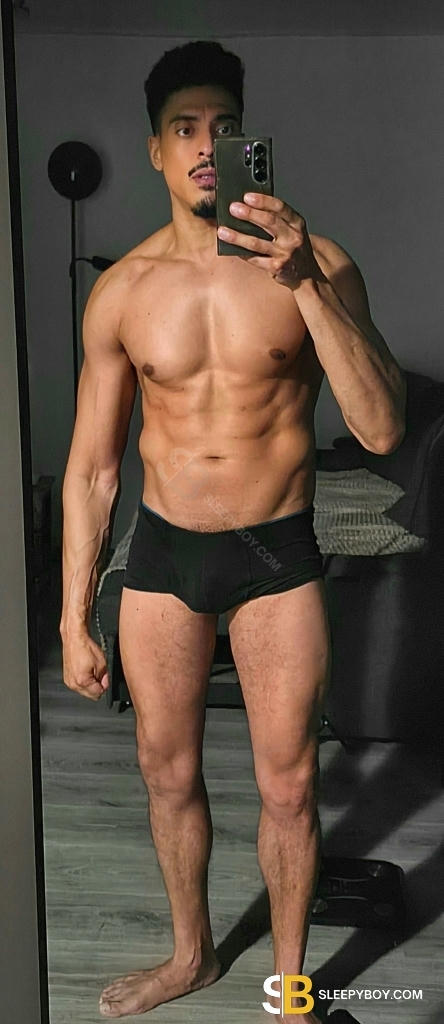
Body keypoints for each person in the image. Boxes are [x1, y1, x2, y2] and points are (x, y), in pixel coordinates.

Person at [59, 40, 406, 1022]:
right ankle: (192, 955)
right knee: (164, 772)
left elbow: (382, 428)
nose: (207, 145)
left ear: (252, 140)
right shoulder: (123, 291)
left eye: (225, 125)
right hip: (164, 556)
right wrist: (74, 616)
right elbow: (93, 468)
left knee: (290, 788)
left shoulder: (323, 263)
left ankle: (289, 992)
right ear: (156, 151)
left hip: (275, 558)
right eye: (185, 128)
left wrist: (302, 283)